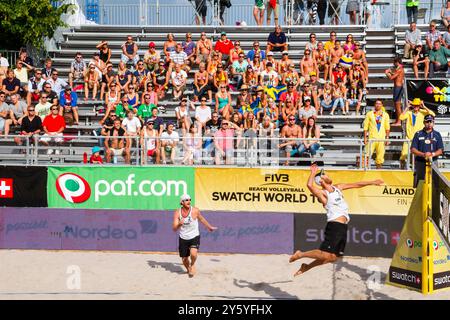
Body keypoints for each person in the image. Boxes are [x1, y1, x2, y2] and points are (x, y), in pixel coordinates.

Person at [289, 164, 384, 276]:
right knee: (324, 254)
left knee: (333, 257)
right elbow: (309, 185)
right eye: (325, 175)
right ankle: (301, 254)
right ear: (321, 180)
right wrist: (313, 173)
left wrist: (372, 182)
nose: (328, 175)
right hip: (334, 225)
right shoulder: (323, 194)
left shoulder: (338, 187)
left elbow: (356, 184)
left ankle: (306, 267)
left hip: (343, 226)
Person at [172, 194, 217, 277]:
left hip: (194, 235)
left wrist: (209, 227)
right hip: (183, 237)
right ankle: (188, 268)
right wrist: (179, 224)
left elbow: (201, 219)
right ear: (182, 202)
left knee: (193, 253)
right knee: (184, 259)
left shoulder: (195, 210)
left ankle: (192, 264)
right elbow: (174, 228)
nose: (189, 201)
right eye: (186, 200)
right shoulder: (177, 213)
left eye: (189, 199)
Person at [399, 98, 435, 169]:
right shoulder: (409, 112)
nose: (416, 107)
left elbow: (433, 114)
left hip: (419, 137)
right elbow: (401, 117)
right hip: (409, 137)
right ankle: (402, 169)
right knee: (403, 154)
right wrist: (407, 107)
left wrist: (424, 106)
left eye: (417, 105)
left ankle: (416, 169)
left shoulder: (423, 112)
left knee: (417, 155)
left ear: (419, 106)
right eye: (414, 105)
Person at [411, 114, 444, 188]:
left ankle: (434, 199)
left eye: (431, 121)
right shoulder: (418, 134)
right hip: (420, 162)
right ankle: (420, 198)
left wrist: (432, 154)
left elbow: (440, 150)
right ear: (424, 122)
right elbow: (413, 149)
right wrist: (423, 154)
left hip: (433, 162)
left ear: (433, 123)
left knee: (434, 183)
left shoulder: (437, 134)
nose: (429, 123)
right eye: (427, 122)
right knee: (420, 183)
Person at [363, 99, 390, 169]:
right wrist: (365, 137)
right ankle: (364, 169)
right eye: (376, 103)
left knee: (380, 156)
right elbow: (365, 126)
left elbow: (387, 127)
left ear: (382, 105)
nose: (378, 105)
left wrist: (387, 138)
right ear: (374, 105)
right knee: (366, 154)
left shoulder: (385, 115)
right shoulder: (369, 114)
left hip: (381, 138)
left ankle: (378, 170)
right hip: (372, 138)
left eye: (379, 104)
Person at [384, 57, 404, 125]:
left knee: (397, 105)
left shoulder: (399, 69)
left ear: (397, 62)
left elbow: (392, 78)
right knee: (396, 105)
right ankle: (397, 120)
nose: (393, 64)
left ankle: (399, 121)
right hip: (397, 87)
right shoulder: (399, 69)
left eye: (394, 63)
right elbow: (395, 76)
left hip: (398, 88)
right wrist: (390, 72)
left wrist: (387, 73)